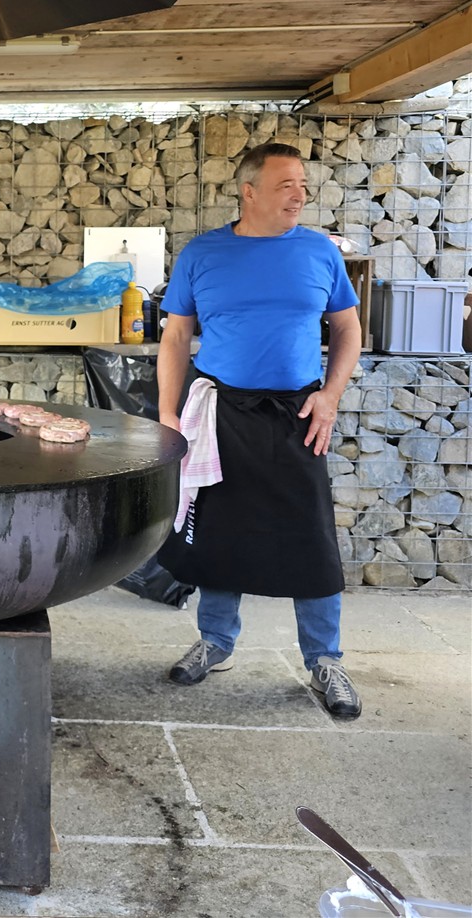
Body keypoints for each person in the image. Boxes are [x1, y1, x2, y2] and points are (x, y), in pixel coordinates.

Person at [155, 142, 363, 719]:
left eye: (303, 184)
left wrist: (330, 396)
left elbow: (348, 330)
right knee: (219, 532)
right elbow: (175, 337)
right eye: (286, 185)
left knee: (311, 538)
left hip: (300, 414)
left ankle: (325, 659)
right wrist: (169, 413)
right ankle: (216, 642)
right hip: (221, 411)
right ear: (249, 192)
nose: (300, 195)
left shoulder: (319, 252)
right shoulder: (202, 253)